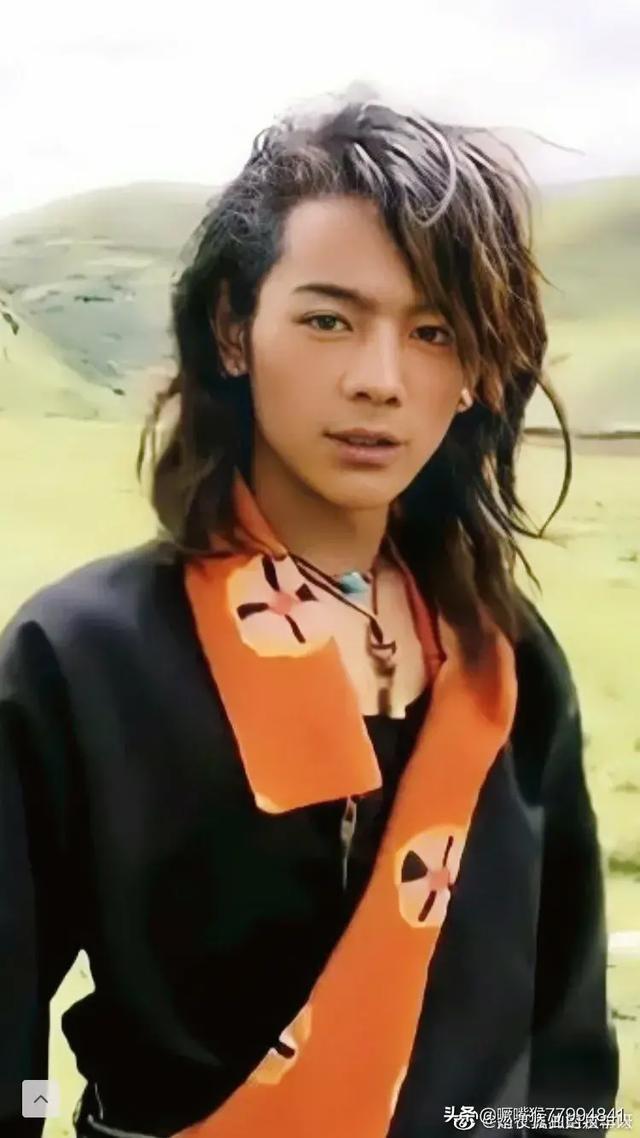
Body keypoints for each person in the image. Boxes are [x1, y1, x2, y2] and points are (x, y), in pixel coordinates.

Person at [0, 93, 618, 1138]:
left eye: (434, 332)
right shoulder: (84, 657)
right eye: (329, 319)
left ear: (475, 374)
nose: (380, 380)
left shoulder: (506, 665)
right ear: (233, 330)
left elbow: (563, 1052)